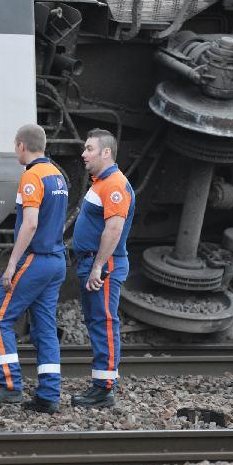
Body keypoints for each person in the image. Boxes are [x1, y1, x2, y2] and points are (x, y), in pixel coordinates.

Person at [0, 124, 68, 414]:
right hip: (56, 260)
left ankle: (8, 386)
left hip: (35, 260)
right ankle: (49, 393)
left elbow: (30, 223)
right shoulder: (57, 175)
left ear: (21, 146)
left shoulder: (31, 177)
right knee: (45, 327)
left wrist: (12, 263)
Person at [71, 128, 135, 408]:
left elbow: (114, 228)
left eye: (89, 149)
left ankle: (104, 389)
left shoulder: (114, 184)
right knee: (97, 322)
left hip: (104, 264)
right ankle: (101, 385)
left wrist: (98, 266)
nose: (84, 154)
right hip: (94, 262)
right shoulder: (102, 182)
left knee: (104, 323)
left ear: (106, 152)